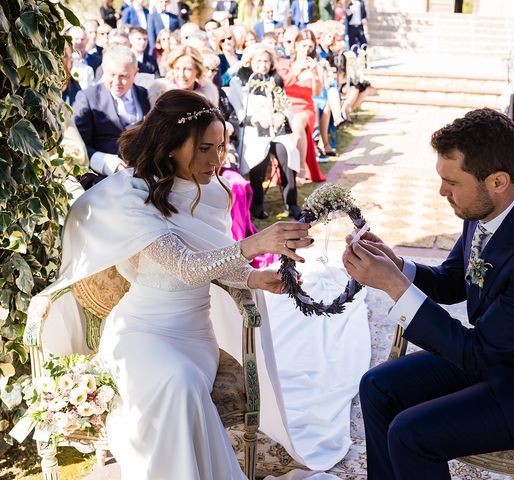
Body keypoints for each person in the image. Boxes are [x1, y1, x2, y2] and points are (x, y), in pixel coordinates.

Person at [32, 89, 313, 479]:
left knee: (183, 381)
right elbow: (185, 267)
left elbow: (212, 256)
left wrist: (252, 277)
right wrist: (254, 245)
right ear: (169, 145)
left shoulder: (211, 191)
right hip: (140, 332)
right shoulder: (133, 198)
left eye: (220, 147)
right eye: (203, 149)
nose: (215, 161)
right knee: (177, 384)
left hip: (195, 336)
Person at [342, 108, 514, 480]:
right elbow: (453, 280)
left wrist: (392, 285)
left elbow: (475, 354)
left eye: (452, 181)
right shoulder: (489, 206)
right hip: (501, 356)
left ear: (497, 180)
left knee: (411, 434)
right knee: (377, 386)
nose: (442, 191)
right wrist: (398, 266)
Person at [228, 44, 302, 219]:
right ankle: (257, 203)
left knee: (287, 153)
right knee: (258, 158)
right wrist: (253, 119)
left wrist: (280, 115)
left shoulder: (274, 80)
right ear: (250, 61)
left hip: (275, 130)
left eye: (266, 61)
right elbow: (236, 110)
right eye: (259, 61)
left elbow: (286, 106)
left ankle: (292, 203)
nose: (263, 65)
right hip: (252, 130)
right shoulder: (239, 81)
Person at [73, 46, 150, 189]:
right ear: (103, 69)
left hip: (146, 176)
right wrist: (106, 162)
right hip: (105, 181)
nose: (116, 81)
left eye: (123, 76)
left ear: (135, 73)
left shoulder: (146, 95)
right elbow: (78, 145)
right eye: (111, 74)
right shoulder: (88, 98)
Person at [276, 29, 326, 183]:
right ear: (296, 45)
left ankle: (300, 169)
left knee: (297, 123)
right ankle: (289, 167)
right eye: (303, 45)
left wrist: (315, 73)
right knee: (292, 123)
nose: (306, 50)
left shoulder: (315, 66)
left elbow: (317, 91)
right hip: (286, 106)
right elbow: (283, 85)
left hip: (305, 108)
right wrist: (297, 70)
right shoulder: (285, 64)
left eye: (310, 47)